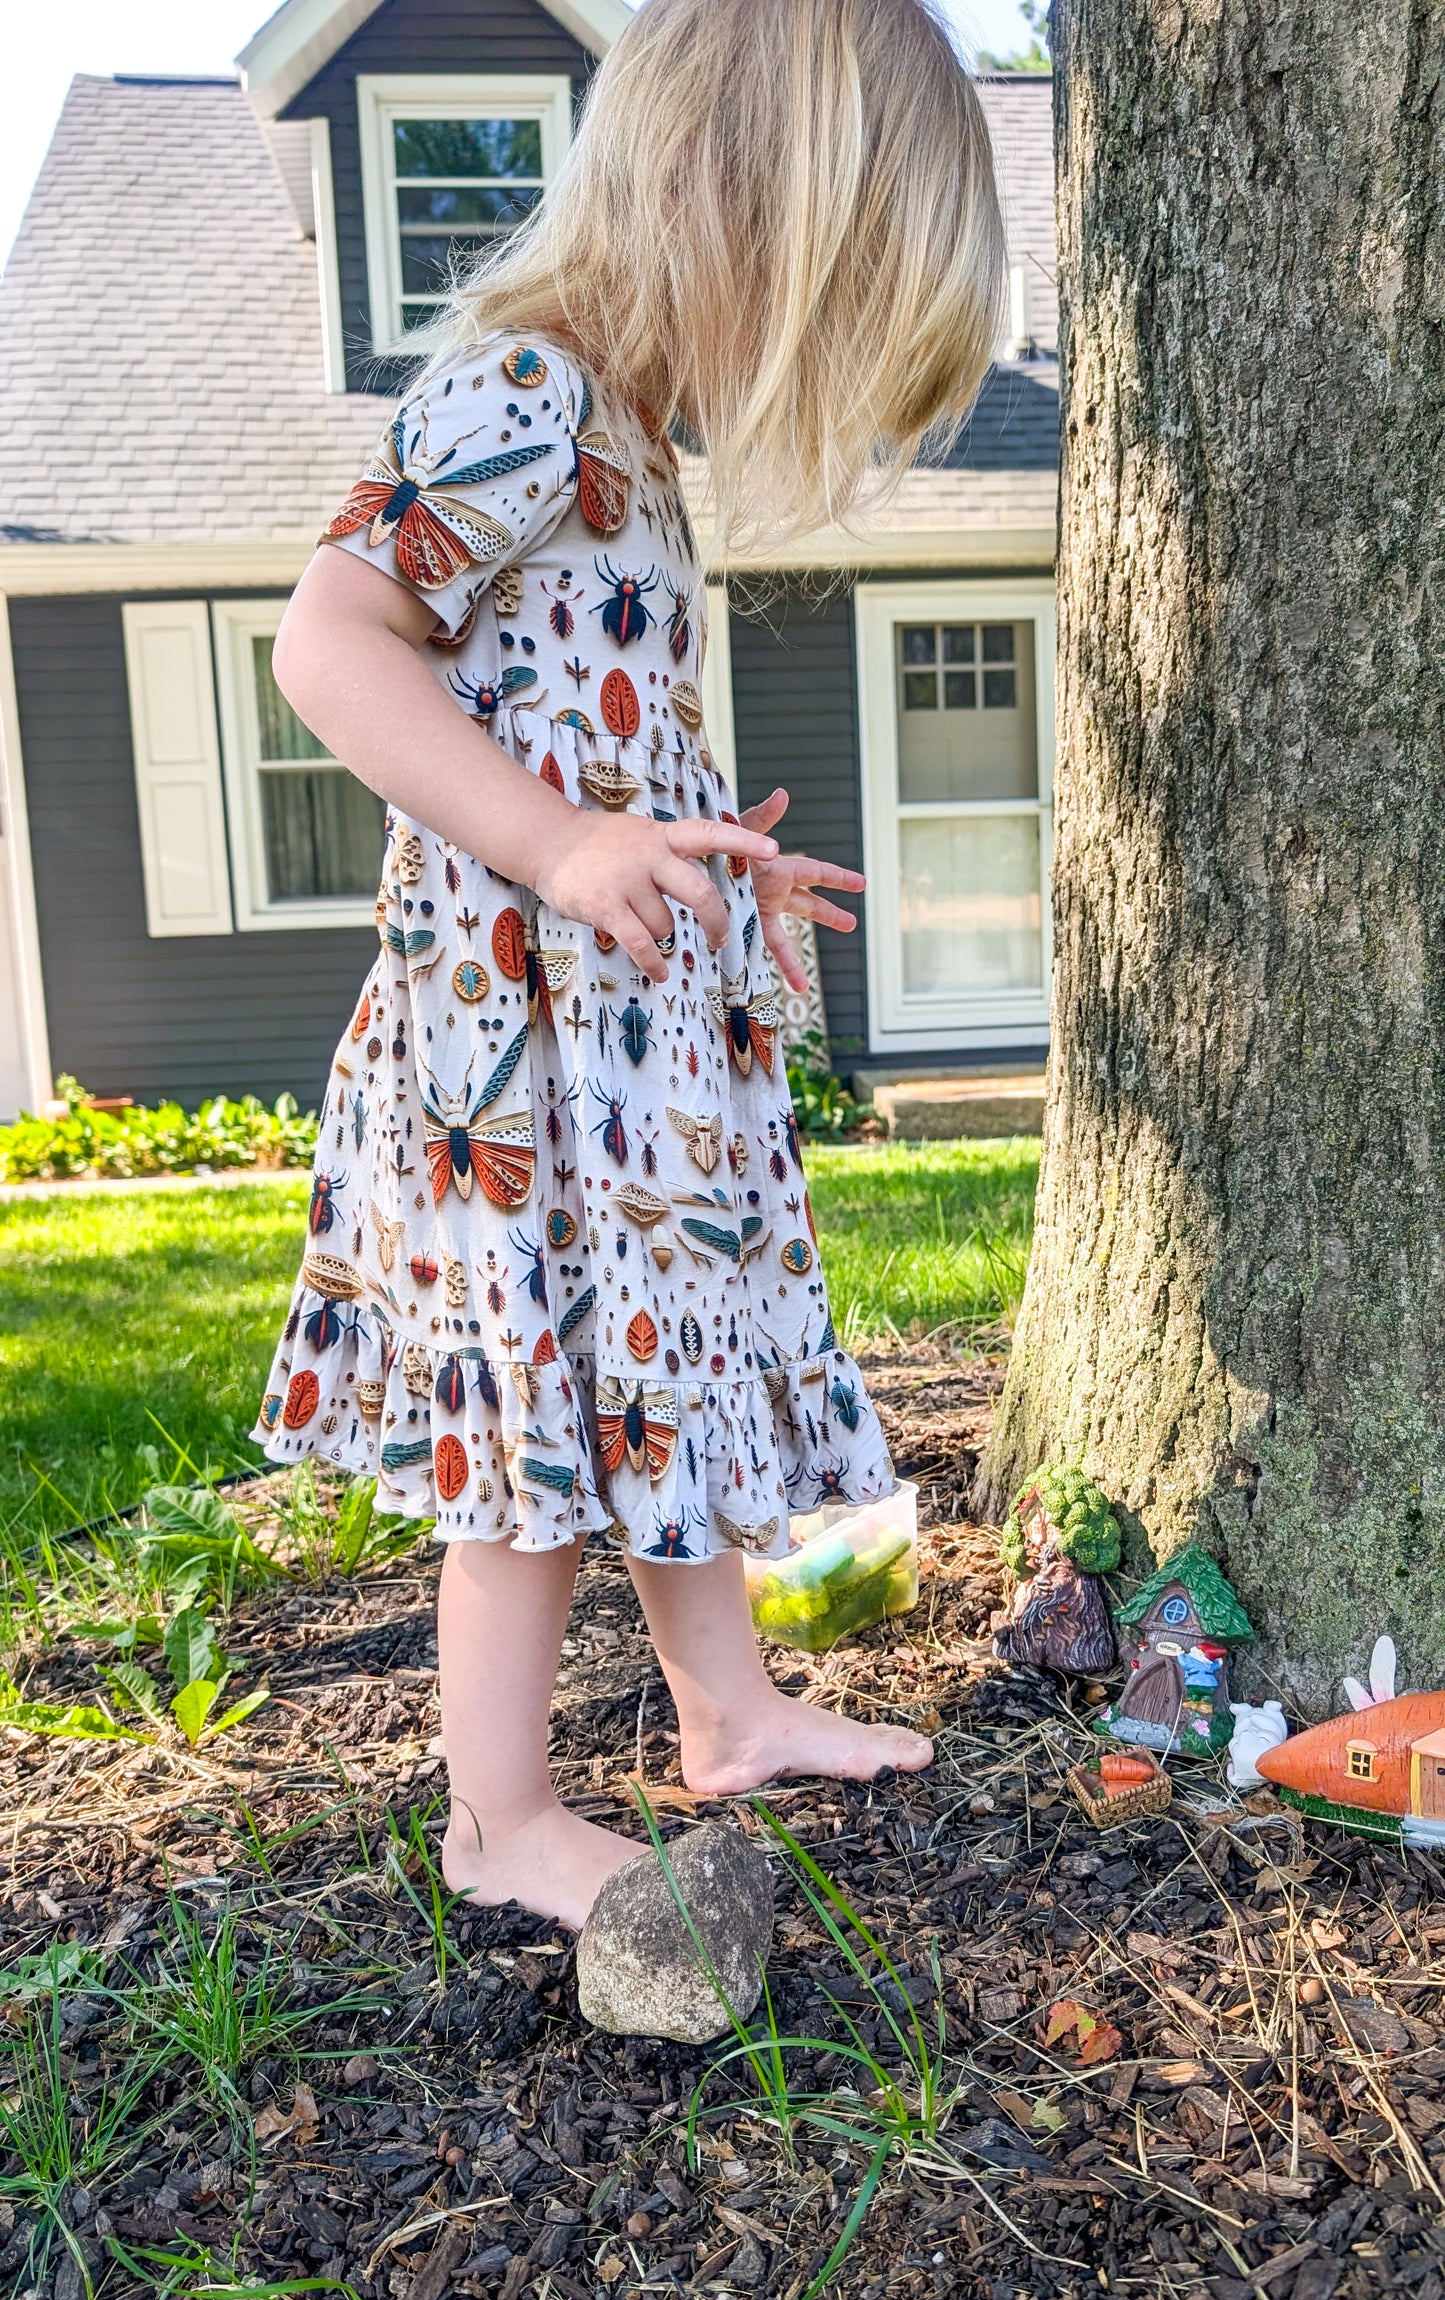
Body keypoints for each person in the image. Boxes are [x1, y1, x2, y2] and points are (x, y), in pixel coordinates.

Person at [255, 0, 1006, 1930]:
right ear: (736, 199)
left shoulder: (627, 447)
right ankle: (495, 1818)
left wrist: (699, 855)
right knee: (539, 1427)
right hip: (514, 1056)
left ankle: (728, 1711)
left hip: (628, 1039)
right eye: (823, 304)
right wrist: (567, 844)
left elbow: (581, 730)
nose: (799, 369)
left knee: (653, 1376)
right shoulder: (519, 386)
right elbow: (331, 647)